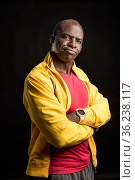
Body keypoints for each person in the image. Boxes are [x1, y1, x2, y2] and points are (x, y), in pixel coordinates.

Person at [23, 19, 111, 180]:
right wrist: (92, 129)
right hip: (56, 171)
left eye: (78, 41)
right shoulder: (38, 78)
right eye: (66, 37)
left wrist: (79, 116)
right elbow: (60, 136)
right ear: (52, 39)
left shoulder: (81, 75)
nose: (73, 44)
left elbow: (105, 108)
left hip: (88, 164)